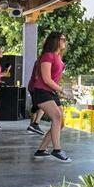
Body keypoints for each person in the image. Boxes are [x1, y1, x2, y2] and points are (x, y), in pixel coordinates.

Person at [32, 32, 71, 162]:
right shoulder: (47, 56)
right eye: (63, 39)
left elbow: (54, 79)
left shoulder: (57, 56)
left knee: (61, 123)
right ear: (55, 40)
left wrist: (59, 91)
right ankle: (57, 149)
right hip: (42, 92)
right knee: (57, 117)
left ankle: (41, 150)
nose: (65, 41)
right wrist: (62, 90)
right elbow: (47, 79)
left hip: (52, 93)